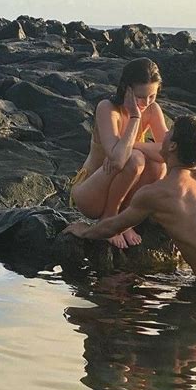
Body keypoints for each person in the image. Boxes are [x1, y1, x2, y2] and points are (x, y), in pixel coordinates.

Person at [65, 115, 196, 288]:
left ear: (172, 146)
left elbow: (111, 228)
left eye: (169, 132)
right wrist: (133, 146)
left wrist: (84, 231)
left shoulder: (160, 193)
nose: (164, 135)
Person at [69, 57, 168, 249]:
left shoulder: (152, 109)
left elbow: (167, 153)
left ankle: (125, 219)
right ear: (126, 89)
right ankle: (110, 218)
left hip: (122, 190)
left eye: (152, 96)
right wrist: (134, 117)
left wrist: (136, 145)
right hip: (91, 193)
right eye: (140, 97)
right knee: (135, 159)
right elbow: (117, 159)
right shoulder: (107, 108)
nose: (146, 103)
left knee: (157, 164)